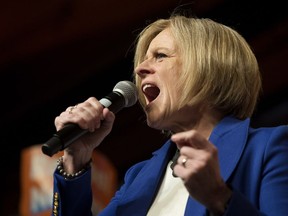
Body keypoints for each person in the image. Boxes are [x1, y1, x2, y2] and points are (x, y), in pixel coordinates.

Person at [51, 14, 288, 216]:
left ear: (209, 65)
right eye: (143, 59)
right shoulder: (138, 176)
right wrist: (76, 158)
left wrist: (219, 198)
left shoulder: (270, 148)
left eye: (160, 55)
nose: (139, 69)